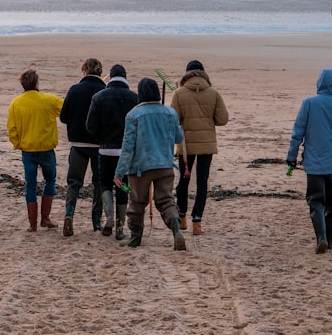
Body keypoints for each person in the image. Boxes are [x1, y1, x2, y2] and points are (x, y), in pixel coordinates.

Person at [285, 68, 332, 254]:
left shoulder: (308, 104)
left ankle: (321, 238)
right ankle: (330, 241)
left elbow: (297, 133)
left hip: (314, 166)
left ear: (319, 83)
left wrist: (291, 157)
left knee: (316, 202)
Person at [114, 78, 187, 251]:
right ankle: (177, 232)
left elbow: (127, 147)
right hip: (165, 165)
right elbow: (179, 138)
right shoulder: (170, 113)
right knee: (166, 200)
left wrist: (119, 172)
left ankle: (135, 237)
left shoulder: (133, 115)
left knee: (137, 202)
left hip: (140, 168)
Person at [170, 60, 229, 235]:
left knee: (184, 180)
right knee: (202, 182)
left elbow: (173, 120)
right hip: (206, 144)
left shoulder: (179, 93)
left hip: (185, 144)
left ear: (187, 73)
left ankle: (182, 217)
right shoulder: (214, 93)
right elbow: (222, 119)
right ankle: (197, 222)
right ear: (203, 73)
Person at [85, 63, 138, 240]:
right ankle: (120, 228)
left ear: (111, 76)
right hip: (125, 151)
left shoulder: (99, 97)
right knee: (123, 186)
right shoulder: (134, 98)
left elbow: (90, 125)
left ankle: (108, 217)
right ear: (125, 77)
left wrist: (101, 139)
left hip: (106, 150)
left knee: (105, 183)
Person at [7, 68, 64, 231]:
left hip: (28, 149)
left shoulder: (16, 103)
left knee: (31, 184)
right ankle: (44, 218)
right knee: (50, 180)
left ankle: (33, 225)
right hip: (46, 148)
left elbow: (11, 129)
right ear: (37, 83)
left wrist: (18, 143)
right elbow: (66, 108)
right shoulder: (48, 100)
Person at [59, 58, 106, 236]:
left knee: (74, 182)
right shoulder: (104, 90)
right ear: (100, 72)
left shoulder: (75, 89)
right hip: (99, 145)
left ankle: (69, 214)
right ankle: (96, 222)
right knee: (99, 183)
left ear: (84, 71)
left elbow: (64, 117)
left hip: (78, 143)